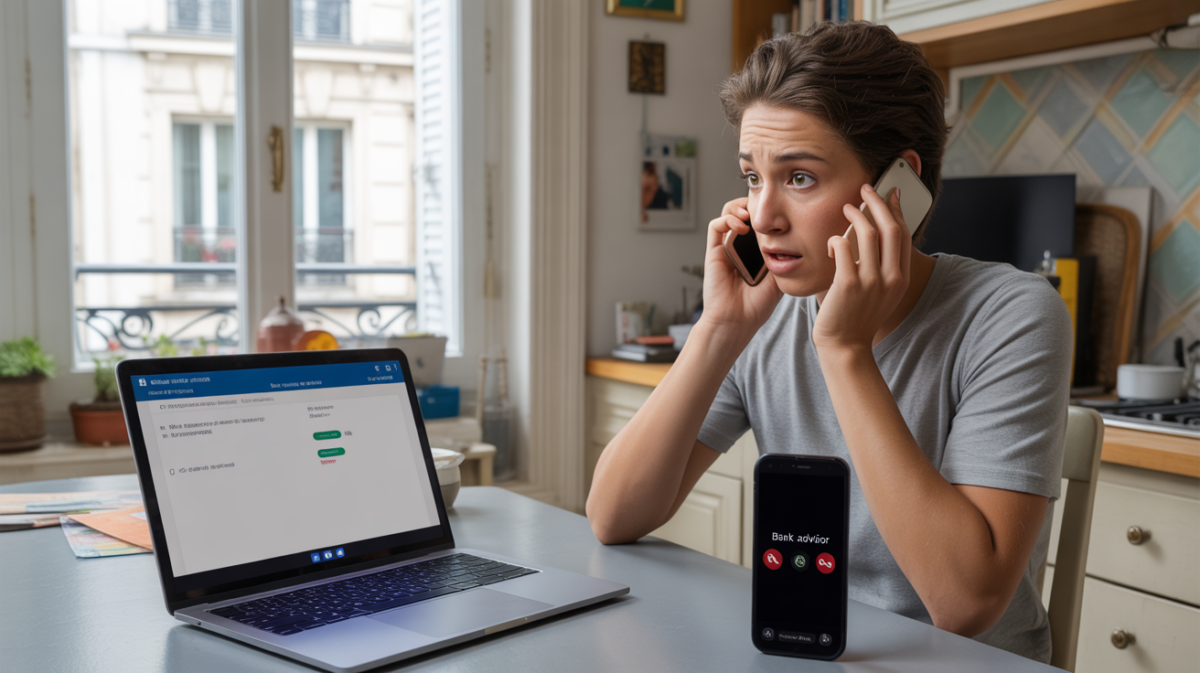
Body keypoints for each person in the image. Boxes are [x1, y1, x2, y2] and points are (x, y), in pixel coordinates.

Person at [586, 21, 1072, 664]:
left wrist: (844, 351)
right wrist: (720, 329)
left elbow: (964, 604)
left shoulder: (1011, 314)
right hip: (812, 650)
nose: (762, 216)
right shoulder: (764, 317)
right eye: (753, 177)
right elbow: (613, 517)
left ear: (898, 188)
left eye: (800, 178)